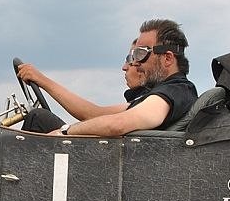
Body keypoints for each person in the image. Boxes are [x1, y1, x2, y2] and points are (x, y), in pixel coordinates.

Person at [17, 19, 197, 136]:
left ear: (167, 58)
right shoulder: (160, 95)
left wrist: (65, 132)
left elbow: (118, 124)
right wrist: (41, 80)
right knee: (40, 119)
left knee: (37, 118)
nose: (136, 63)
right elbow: (91, 114)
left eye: (141, 54)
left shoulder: (174, 91)